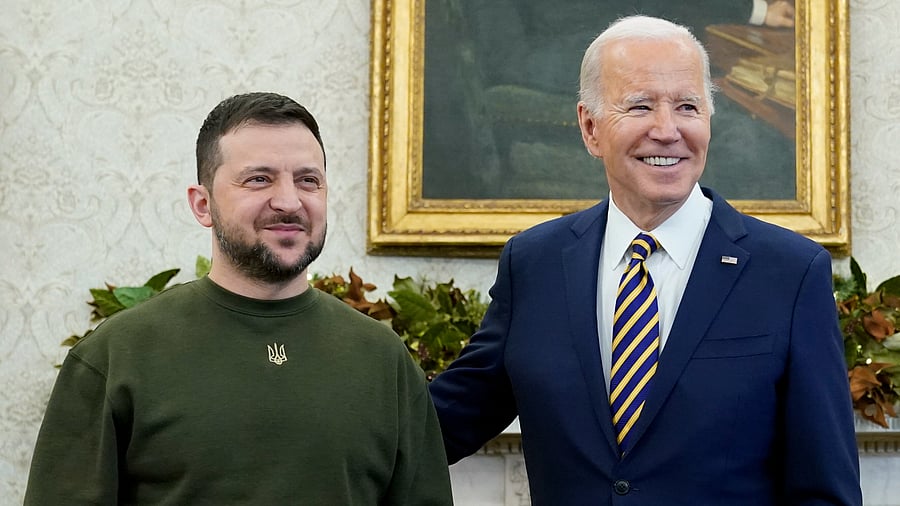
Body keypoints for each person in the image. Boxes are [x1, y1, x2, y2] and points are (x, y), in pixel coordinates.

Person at [428, 16, 861, 506]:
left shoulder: (789, 272)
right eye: (640, 106)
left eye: (687, 107)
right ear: (590, 128)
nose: (667, 130)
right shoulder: (535, 264)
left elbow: (824, 490)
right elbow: (444, 422)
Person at [24, 92, 453, 505]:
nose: (288, 201)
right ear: (202, 204)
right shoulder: (115, 355)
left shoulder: (385, 360)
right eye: (258, 179)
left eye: (308, 180)